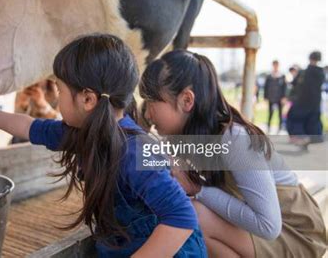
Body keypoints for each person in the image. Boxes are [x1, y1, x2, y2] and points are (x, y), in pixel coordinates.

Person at [0, 34, 207, 257]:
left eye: (60, 90)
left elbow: (181, 217)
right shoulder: (80, 132)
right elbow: (30, 127)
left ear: (88, 99)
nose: (58, 97)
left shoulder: (135, 151)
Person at [139, 50, 326, 258]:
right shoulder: (192, 136)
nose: (147, 113)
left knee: (194, 214)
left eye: (151, 101)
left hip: (295, 234)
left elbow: (268, 225)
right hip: (266, 231)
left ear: (186, 100)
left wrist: (198, 188)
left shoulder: (235, 138)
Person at [287, 51, 325, 145]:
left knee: (297, 119)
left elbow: (294, 84)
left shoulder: (304, 72)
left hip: (302, 101)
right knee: (314, 120)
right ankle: (314, 138)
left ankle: (300, 137)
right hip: (315, 102)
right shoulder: (321, 73)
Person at [263, 60, 287, 133]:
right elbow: (266, 87)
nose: (275, 66)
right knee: (270, 113)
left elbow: (284, 88)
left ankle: (279, 128)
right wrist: (265, 97)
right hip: (271, 97)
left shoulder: (282, 76)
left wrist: (284, 97)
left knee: (280, 114)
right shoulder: (269, 76)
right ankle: (269, 127)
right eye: (274, 65)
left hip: (280, 98)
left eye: (277, 65)